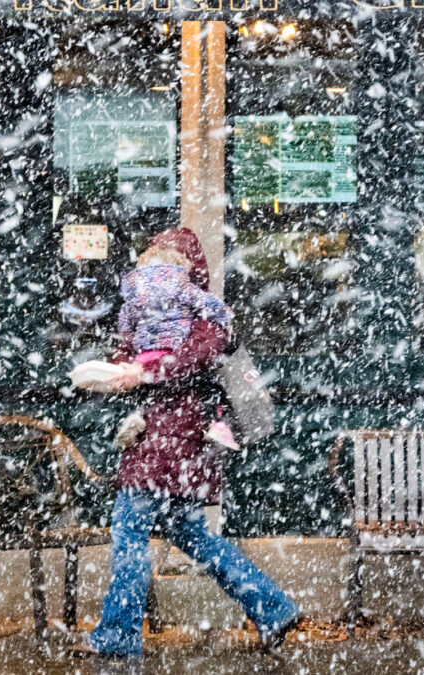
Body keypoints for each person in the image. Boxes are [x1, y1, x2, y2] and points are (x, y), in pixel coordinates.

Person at [73, 227, 299, 658]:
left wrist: (145, 374)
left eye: (166, 262)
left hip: (171, 439)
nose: (157, 271)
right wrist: (118, 369)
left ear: (185, 267)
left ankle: (119, 638)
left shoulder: (205, 315)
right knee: (195, 536)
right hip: (176, 444)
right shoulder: (158, 309)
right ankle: (273, 608)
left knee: (130, 532)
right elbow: (134, 349)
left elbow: (193, 359)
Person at [116, 242, 238, 451]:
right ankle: (216, 422)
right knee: (211, 387)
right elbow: (206, 304)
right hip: (172, 349)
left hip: (144, 354)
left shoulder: (135, 292)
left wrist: (132, 340)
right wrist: (225, 314)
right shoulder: (181, 285)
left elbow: (125, 324)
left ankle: (134, 414)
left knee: (141, 388)